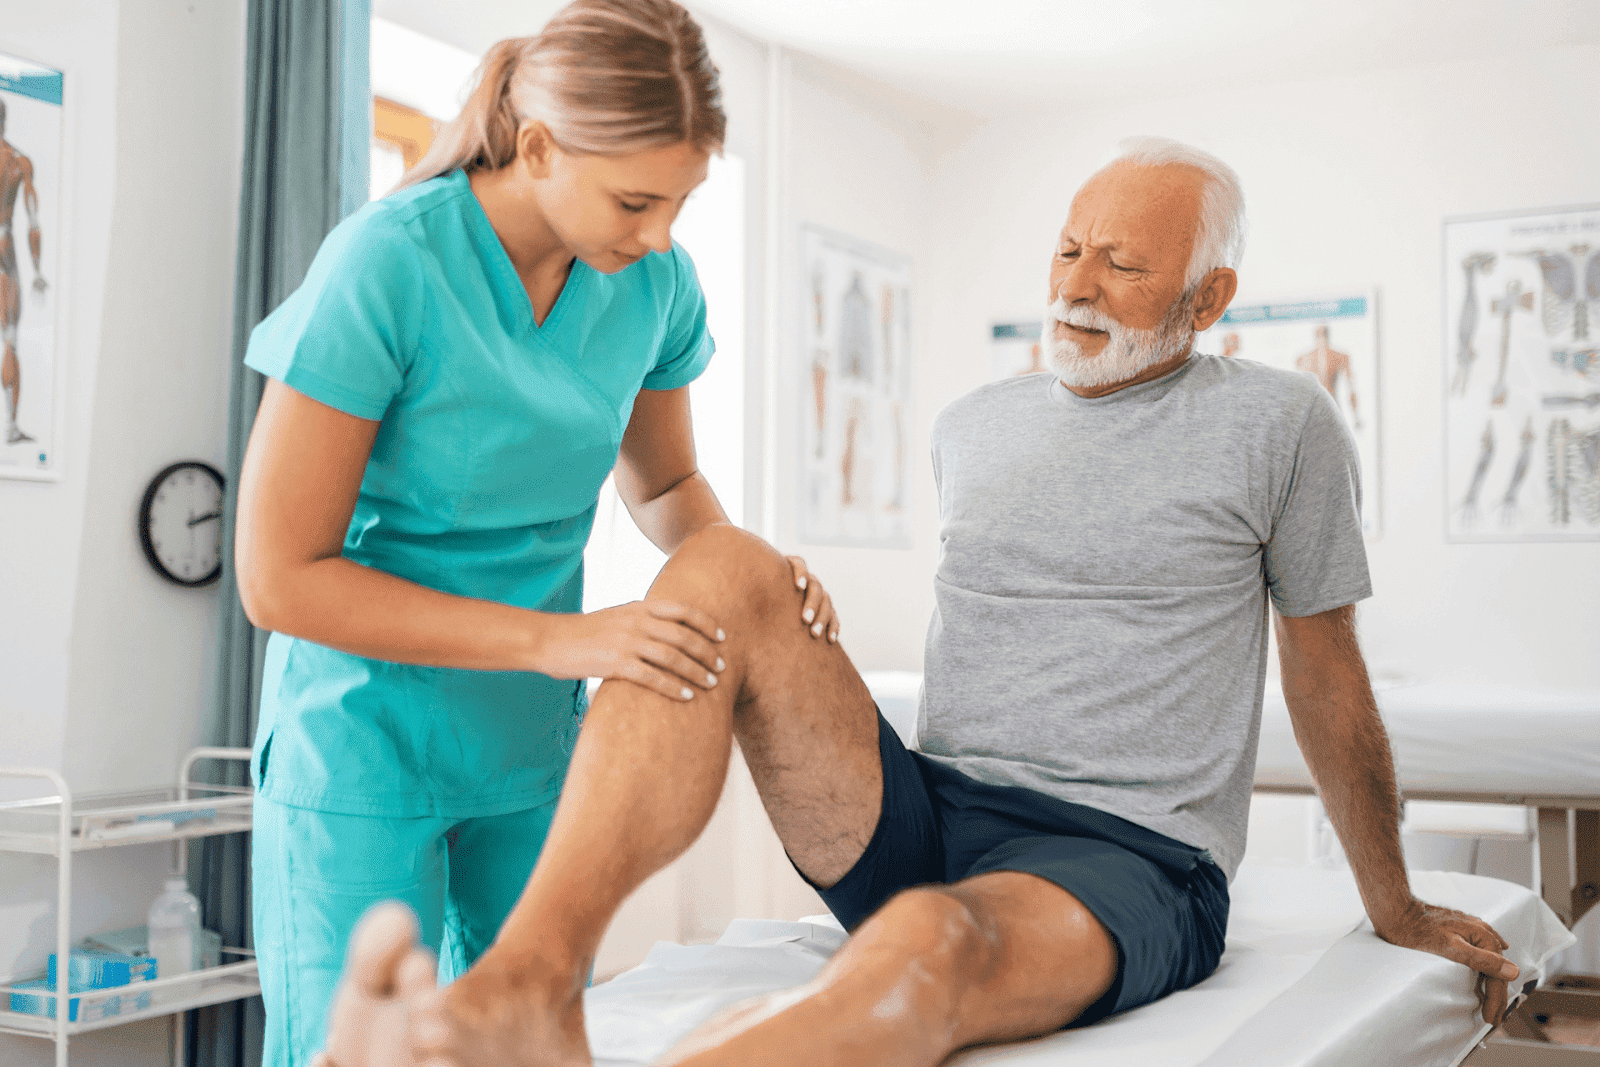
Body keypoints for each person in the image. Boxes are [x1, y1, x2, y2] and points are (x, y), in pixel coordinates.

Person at [311, 137, 1519, 1067]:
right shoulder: (971, 425)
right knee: (723, 566)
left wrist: (1392, 898)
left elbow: (1321, 669)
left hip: (1124, 856)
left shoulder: (1278, 424)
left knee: (926, 945)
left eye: (1125, 264)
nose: (1077, 284)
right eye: (1066, 249)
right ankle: (527, 979)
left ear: (1208, 301)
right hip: (922, 814)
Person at [233, 3, 839, 1064]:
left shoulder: (652, 283)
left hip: (530, 748)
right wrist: (561, 638)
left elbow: (669, 485)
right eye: (636, 200)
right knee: (364, 1045)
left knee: (537, 1033)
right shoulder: (388, 262)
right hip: (363, 739)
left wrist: (751, 577)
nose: (657, 235)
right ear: (540, 144)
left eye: (680, 203)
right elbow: (279, 578)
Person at [0, 96, 48, 446]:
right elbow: (33, 224)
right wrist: (37, 270)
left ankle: (13, 426)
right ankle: (12, 426)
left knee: (12, 340)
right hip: (6, 250)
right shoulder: (18, 162)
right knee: (10, 340)